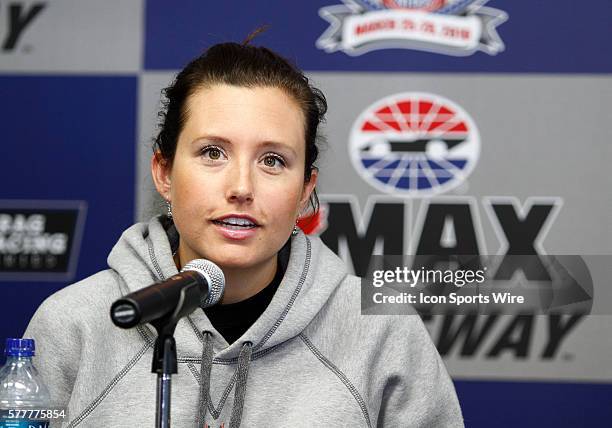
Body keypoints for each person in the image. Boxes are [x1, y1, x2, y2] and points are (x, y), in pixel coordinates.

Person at [24, 36, 464, 427]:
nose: (241, 188)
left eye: (272, 161)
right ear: (164, 173)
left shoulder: (383, 333)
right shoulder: (73, 323)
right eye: (213, 152)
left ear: (304, 190)